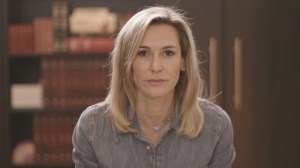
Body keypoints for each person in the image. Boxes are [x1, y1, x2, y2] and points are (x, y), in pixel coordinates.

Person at [72, 6, 235, 168]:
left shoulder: (216, 126)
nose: (156, 67)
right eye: (143, 53)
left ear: (183, 61)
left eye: (168, 53)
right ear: (126, 63)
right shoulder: (92, 126)